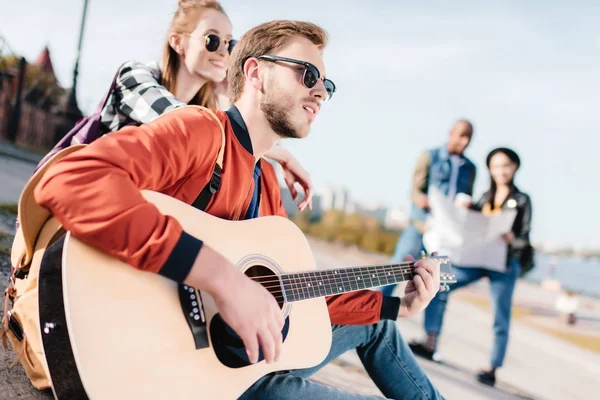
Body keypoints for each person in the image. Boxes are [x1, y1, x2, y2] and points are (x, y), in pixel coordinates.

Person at [34, 20, 445, 399]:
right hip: (173, 367)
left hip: (240, 366)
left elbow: (295, 295)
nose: (321, 92)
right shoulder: (201, 131)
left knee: (379, 325)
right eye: (308, 74)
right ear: (255, 73)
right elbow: (71, 178)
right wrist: (223, 279)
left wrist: (398, 305)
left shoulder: (266, 184)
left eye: (327, 84)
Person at [99, 0, 313, 211]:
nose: (223, 52)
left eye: (230, 44)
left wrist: (227, 94)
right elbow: (184, 126)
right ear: (177, 42)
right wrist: (280, 154)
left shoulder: (206, 110)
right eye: (212, 40)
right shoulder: (135, 76)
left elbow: (226, 146)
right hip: (91, 206)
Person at [409, 147, 532, 387]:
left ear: (514, 167)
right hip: (477, 259)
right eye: (496, 166)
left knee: (500, 316)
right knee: (439, 284)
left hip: (504, 264)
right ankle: (430, 341)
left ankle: (492, 368)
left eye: (505, 165)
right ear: (490, 169)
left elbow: (525, 237)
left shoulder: (522, 200)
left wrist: (511, 238)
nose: (501, 171)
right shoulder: (485, 197)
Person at [380, 120, 476, 296]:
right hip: (421, 225)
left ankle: (433, 325)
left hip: (447, 235)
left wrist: (468, 205)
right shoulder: (429, 156)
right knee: (395, 270)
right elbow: (415, 191)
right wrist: (422, 199)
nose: (465, 141)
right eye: (462, 135)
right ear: (451, 133)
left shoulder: (470, 168)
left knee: (442, 283)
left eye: (469, 137)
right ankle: (369, 312)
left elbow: (467, 199)